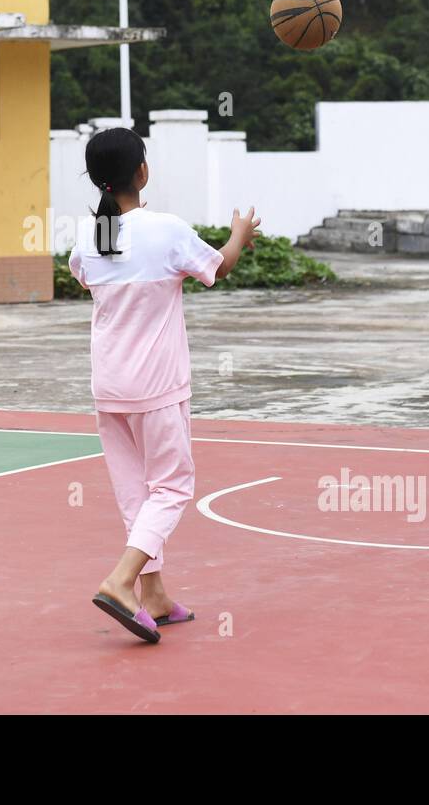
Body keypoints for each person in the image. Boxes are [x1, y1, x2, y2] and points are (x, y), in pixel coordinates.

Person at [68, 127, 260, 643]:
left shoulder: (89, 237)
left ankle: (153, 595)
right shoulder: (166, 229)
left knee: (137, 494)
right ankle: (121, 581)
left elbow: (84, 277)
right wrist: (240, 233)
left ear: (97, 180)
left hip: (109, 388)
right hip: (156, 387)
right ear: (142, 172)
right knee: (172, 487)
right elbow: (217, 267)